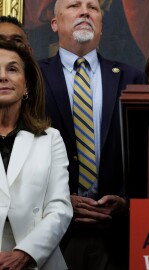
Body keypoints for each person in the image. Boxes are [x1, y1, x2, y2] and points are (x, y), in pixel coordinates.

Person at [38, 0, 146, 269]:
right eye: (74, 5)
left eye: (93, 7)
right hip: (49, 231)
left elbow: (144, 151)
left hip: (116, 231)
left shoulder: (132, 79)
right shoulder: (33, 78)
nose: (85, 11)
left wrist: (125, 201)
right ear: (54, 23)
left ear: (101, 25)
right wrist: (58, 199)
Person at [0, 40, 72, 269]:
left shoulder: (50, 139)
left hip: (36, 258)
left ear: (27, 85)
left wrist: (25, 253)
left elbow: (60, 207)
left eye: (12, 69)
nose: (3, 77)